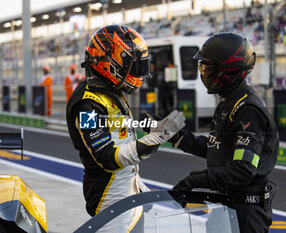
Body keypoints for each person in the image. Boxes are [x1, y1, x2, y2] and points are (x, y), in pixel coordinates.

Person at [66, 25, 185, 232]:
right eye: (133, 66)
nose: (137, 73)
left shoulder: (109, 92)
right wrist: (153, 140)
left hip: (127, 191)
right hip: (109, 200)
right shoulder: (87, 104)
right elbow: (106, 157)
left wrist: (148, 126)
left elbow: (119, 132)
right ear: (110, 62)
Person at [171, 32, 279, 233]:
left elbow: (243, 170)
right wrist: (175, 136)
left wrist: (193, 181)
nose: (203, 73)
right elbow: (219, 149)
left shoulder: (247, 109)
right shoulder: (229, 102)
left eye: (207, 67)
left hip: (245, 213)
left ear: (227, 70)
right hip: (227, 206)